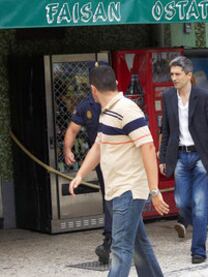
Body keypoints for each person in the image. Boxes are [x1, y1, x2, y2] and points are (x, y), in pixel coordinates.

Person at [69, 65, 169, 277]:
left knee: (120, 248)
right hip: (118, 191)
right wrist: (79, 175)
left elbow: (148, 147)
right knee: (139, 246)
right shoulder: (107, 111)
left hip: (129, 190)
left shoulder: (126, 109)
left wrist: (154, 190)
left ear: (93, 89)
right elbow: (98, 146)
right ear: (115, 83)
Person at [159, 56, 208, 264]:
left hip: (201, 155)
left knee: (200, 205)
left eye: (177, 74)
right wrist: (163, 156)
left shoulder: (205, 97)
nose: (173, 78)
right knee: (182, 202)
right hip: (180, 155)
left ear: (189, 76)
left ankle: (198, 250)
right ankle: (199, 221)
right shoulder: (168, 97)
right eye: (171, 74)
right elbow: (166, 129)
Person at [64, 63, 112, 264]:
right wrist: (67, 149)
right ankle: (111, 240)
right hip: (100, 160)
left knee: (118, 199)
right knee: (109, 198)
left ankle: (112, 241)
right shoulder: (86, 105)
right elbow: (73, 129)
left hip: (121, 160)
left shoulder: (120, 103)